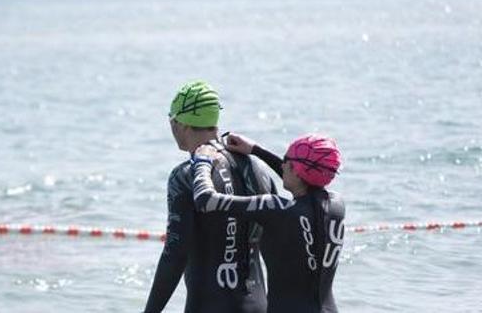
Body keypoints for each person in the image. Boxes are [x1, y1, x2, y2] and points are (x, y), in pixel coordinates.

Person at [143, 81, 278, 313]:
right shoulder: (258, 169)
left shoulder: (185, 176)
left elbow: (175, 254)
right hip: (259, 306)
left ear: (181, 123)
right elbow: (275, 251)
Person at [190, 134, 345, 313]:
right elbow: (304, 179)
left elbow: (205, 200)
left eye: (286, 160)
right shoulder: (336, 205)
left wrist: (202, 160)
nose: (282, 165)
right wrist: (256, 150)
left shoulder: (275, 208)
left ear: (295, 168)